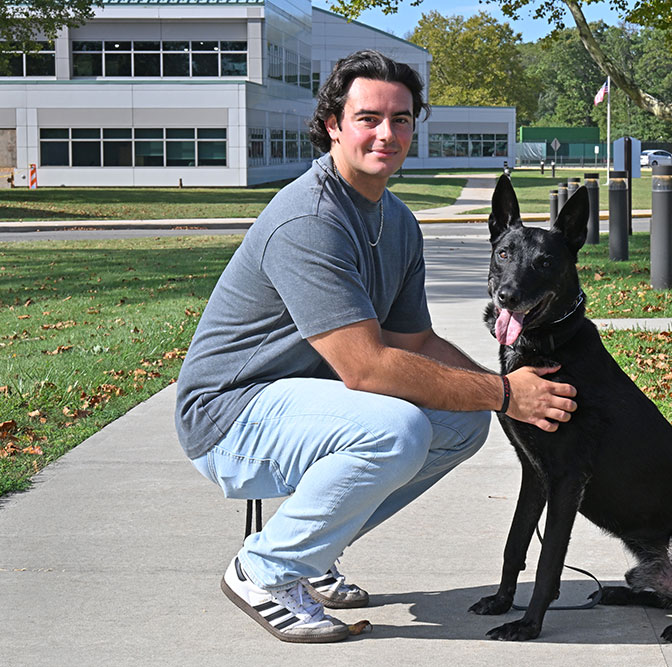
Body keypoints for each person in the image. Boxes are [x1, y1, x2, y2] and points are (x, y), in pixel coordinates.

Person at [174, 49, 577, 644]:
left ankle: (310, 552)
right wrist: (502, 393)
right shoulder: (309, 220)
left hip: (304, 402)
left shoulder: (398, 220)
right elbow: (364, 367)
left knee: (461, 423)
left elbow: (414, 341)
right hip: (229, 414)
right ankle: (265, 569)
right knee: (397, 430)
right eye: (368, 118)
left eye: (402, 119)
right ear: (334, 125)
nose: (386, 133)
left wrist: (515, 389)